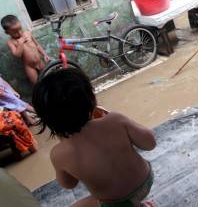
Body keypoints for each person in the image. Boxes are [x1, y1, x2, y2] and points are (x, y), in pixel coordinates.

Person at [32, 68, 156, 207]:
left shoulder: (58, 154)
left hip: (115, 203)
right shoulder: (115, 120)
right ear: (92, 99)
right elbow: (150, 143)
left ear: (48, 122)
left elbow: (68, 184)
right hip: (145, 181)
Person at [1, 15, 50, 84]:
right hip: (30, 67)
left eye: (20, 29)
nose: (19, 33)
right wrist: (20, 43)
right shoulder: (11, 42)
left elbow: (37, 45)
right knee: (37, 85)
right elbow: (17, 55)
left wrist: (45, 54)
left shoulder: (27, 33)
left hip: (40, 62)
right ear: (7, 32)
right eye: (15, 32)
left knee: (48, 78)